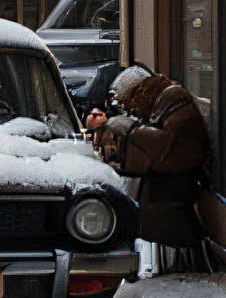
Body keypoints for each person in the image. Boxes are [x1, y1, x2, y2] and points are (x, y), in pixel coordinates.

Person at [88, 64, 210, 268]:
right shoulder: (166, 108)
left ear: (139, 94)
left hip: (171, 214)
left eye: (129, 104)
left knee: (176, 268)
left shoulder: (177, 109)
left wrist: (131, 130)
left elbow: (166, 149)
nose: (129, 110)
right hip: (166, 212)